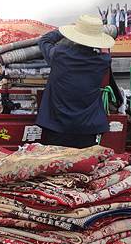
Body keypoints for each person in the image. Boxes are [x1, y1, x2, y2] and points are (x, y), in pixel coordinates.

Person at [36, 14, 114, 148]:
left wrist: (64, 30)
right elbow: (105, 51)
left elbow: (44, 40)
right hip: (88, 126)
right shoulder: (102, 61)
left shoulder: (60, 55)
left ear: (74, 36)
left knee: (55, 164)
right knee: (82, 165)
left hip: (57, 124)